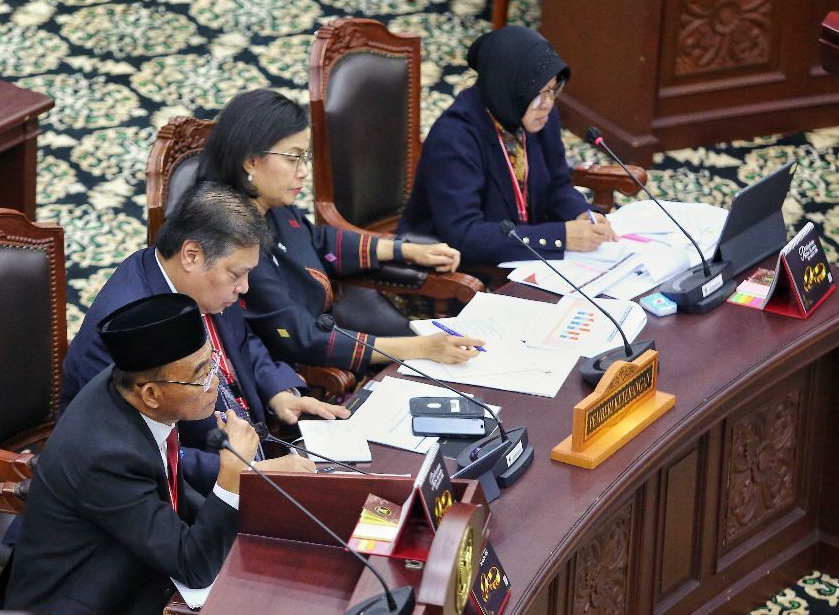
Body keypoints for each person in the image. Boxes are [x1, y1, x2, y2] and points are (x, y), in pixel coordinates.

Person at [0, 293, 262, 615]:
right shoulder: (107, 456)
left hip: (127, 573)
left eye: (210, 364)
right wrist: (231, 479)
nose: (214, 383)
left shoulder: (128, 388)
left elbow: (172, 493)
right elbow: (193, 565)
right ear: (152, 394)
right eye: (201, 375)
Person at [62, 182, 337, 490]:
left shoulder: (201, 284)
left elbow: (241, 341)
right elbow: (146, 455)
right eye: (236, 275)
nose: (244, 287)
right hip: (192, 492)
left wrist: (278, 391)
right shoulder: (131, 329)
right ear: (191, 255)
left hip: (248, 447)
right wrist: (251, 473)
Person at [197, 89, 486, 374]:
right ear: (251, 161)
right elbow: (303, 338)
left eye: (305, 157)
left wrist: (407, 250)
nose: (304, 171)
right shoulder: (236, 244)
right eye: (292, 158)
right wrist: (421, 348)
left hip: (330, 326)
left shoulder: (270, 203)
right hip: (293, 372)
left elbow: (319, 241)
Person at [400, 26, 617, 266]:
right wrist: (561, 237)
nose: (548, 103)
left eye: (553, 90)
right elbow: (464, 236)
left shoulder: (538, 117)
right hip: (462, 271)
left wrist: (582, 215)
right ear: (509, 88)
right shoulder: (454, 138)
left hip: (521, 256)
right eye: (539, 93)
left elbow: (557, 185)